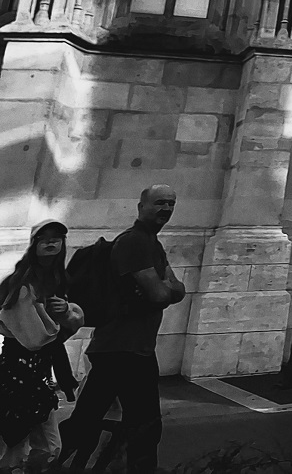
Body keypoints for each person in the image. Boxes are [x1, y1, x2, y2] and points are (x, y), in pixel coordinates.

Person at [54, 187, 184, 474]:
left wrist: (167, 287)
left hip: (121, 348)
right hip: (126, 349)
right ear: (141, 207)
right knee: (145, 423)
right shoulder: (135, 242)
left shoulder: (152, 243)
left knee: (87, 418)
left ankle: (51, 458)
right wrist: (166, 287)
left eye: (171, 204)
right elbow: (162, 295)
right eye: (159, 203)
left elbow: (176, 289)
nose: (166, 208)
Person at [0, 223, 81, 471]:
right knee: (14, 445)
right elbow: (33, 337)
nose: (50, 243)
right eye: (44, 239)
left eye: (56, 238)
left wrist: (66, 313)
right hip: (17, 370)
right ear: (34, 244)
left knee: (47, 447)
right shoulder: (20, 282)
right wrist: (63, 318)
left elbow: (56, 336)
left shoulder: (61, 280)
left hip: (41, 373)